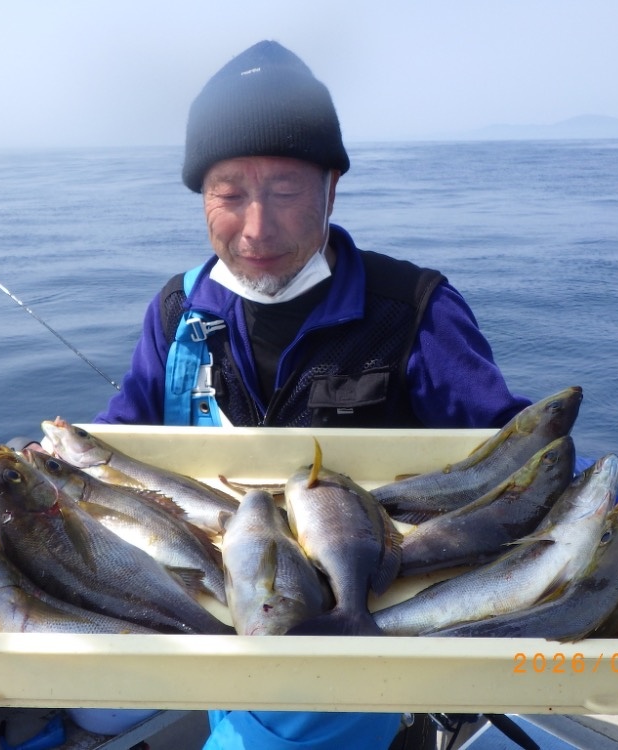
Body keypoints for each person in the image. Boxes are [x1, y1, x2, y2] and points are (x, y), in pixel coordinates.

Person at [93, 40, 532, 750]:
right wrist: (59, 463)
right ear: (202, 197)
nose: (255, 228)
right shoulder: (177, 311)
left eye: (285, 192)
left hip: (368, 661)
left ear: (332, 187)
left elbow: (509, 460)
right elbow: (121, 448)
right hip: (227, 624)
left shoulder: (413, 309)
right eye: (229, 194)